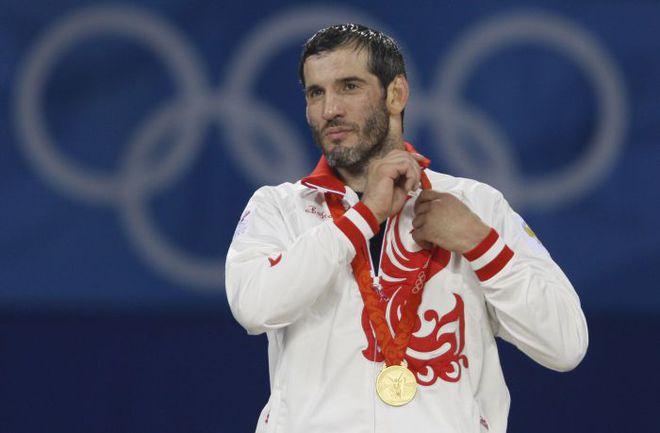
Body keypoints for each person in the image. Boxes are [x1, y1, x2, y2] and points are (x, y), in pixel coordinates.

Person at [225, 23, 588, 433]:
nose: (329, 110)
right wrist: (365, 216)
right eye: (316, 93)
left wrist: (481, 245)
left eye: (349, 87)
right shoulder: (279, 208)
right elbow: (254, 308)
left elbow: (565, 345)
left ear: (396, 93)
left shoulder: (476, 206)